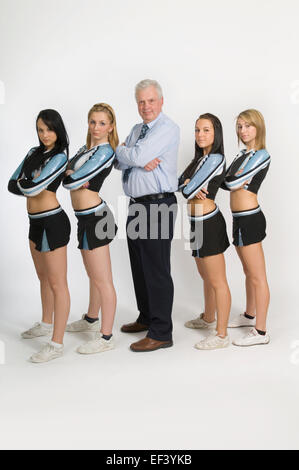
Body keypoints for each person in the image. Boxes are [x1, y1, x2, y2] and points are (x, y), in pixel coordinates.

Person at [115, 79, 179, 352]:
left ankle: (162, 332)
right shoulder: (136, 129)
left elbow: (134, 155)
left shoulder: (168, 128)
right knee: (139, 265)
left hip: (158, 204)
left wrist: (131, 153)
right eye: (141, 101)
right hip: (136, 203)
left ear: (161, 101)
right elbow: (118, 161)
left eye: (151, 100)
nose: (146, 106)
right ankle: (146, 317)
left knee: (156, 269)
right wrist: (133, 155)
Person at [8, 109, 71, 363]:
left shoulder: (60, 157)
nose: (45, 134)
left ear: (58, 130)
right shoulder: (33, 153)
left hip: (53, 222)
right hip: (34, 222)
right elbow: (12, 184)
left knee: (58, 283)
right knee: (43, 277)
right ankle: (46, 323)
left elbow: (31, 186)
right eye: (40, 130)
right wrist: (29, 182)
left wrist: (29, 181)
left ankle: (56, 344)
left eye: (49, 129)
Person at [63, 103, 118, 354]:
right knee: (93, 275)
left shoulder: (105, 151)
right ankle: (91, 319)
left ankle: (106, 337)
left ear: (111, 126)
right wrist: (74, 174)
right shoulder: (87, 149)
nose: (96, 127)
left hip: (97, 218)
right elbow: (68, 172)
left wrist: (75, 175)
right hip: (84, 217)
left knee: (103, 279)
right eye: (93, 122)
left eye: (102, 123)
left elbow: (69, 179)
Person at [180, 113, 231, 349]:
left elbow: (188, 189)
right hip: (195, 223)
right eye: (197, 130)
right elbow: (181, 184)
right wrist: (189, 184)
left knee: (218, 280)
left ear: (216, 133)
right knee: (205, 276)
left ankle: (221, 335)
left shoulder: (216, 158)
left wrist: (190, 186)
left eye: (206, 130)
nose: (201, 134)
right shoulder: (199, 159)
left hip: (209, 223)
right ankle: (209, 317)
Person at [223, 109, 271, 346]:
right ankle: (249, 315)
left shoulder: (261, 155)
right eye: (240, 127)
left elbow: (230, 182)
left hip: (251, 218)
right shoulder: (241, 155)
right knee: (248, 272)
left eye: (248, 126)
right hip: (238, 218)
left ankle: (261, 332)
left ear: (258, 128)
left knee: (258, 275)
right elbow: (226, 180)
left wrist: (233, 179)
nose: (243, 131)